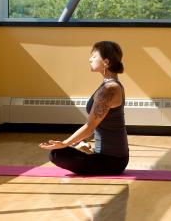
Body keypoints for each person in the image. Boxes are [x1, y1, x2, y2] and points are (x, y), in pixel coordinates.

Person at [39, 41, 129, 175]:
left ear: (106, 62)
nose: (89, 59)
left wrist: (65, 143)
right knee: (68, 149)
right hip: (111, 158)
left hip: (112, 161)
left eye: (93, 56)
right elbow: (98, 125)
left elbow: (90, 126)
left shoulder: (110, 89)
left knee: (56, 154)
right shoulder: (110, 85)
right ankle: (87, 151)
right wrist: (78, 143)